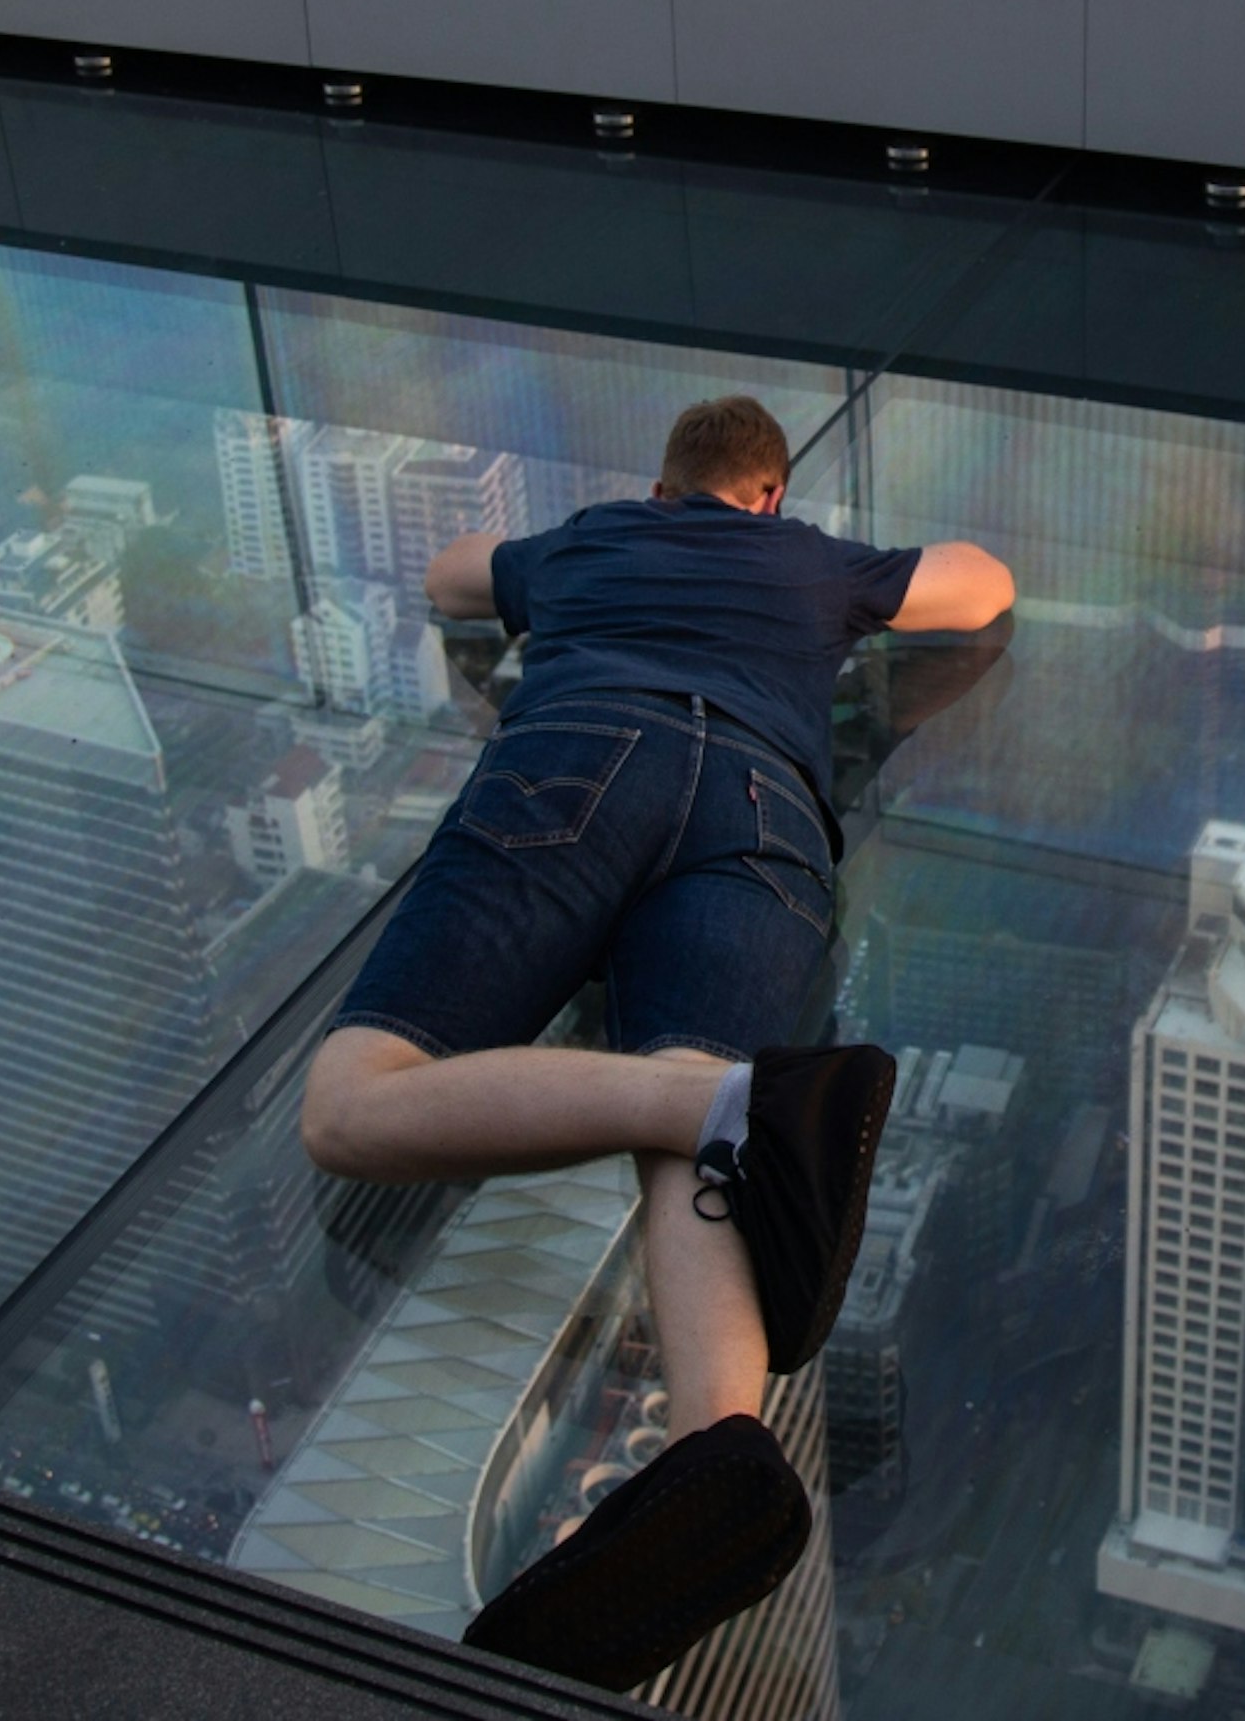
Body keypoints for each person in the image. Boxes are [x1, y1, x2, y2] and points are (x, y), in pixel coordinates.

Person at [295, 395, 1015, 1690]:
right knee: (700, 1153)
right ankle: (715, 1447)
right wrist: (844, 591)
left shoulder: (592, 541)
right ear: (768, 495)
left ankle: (722, 1100)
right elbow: (983, 587)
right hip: (770, 814)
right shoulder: (812, 561)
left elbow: (449, 575)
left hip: (577, 757)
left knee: (349, 1105)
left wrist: (558, 565)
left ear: (666, 483)